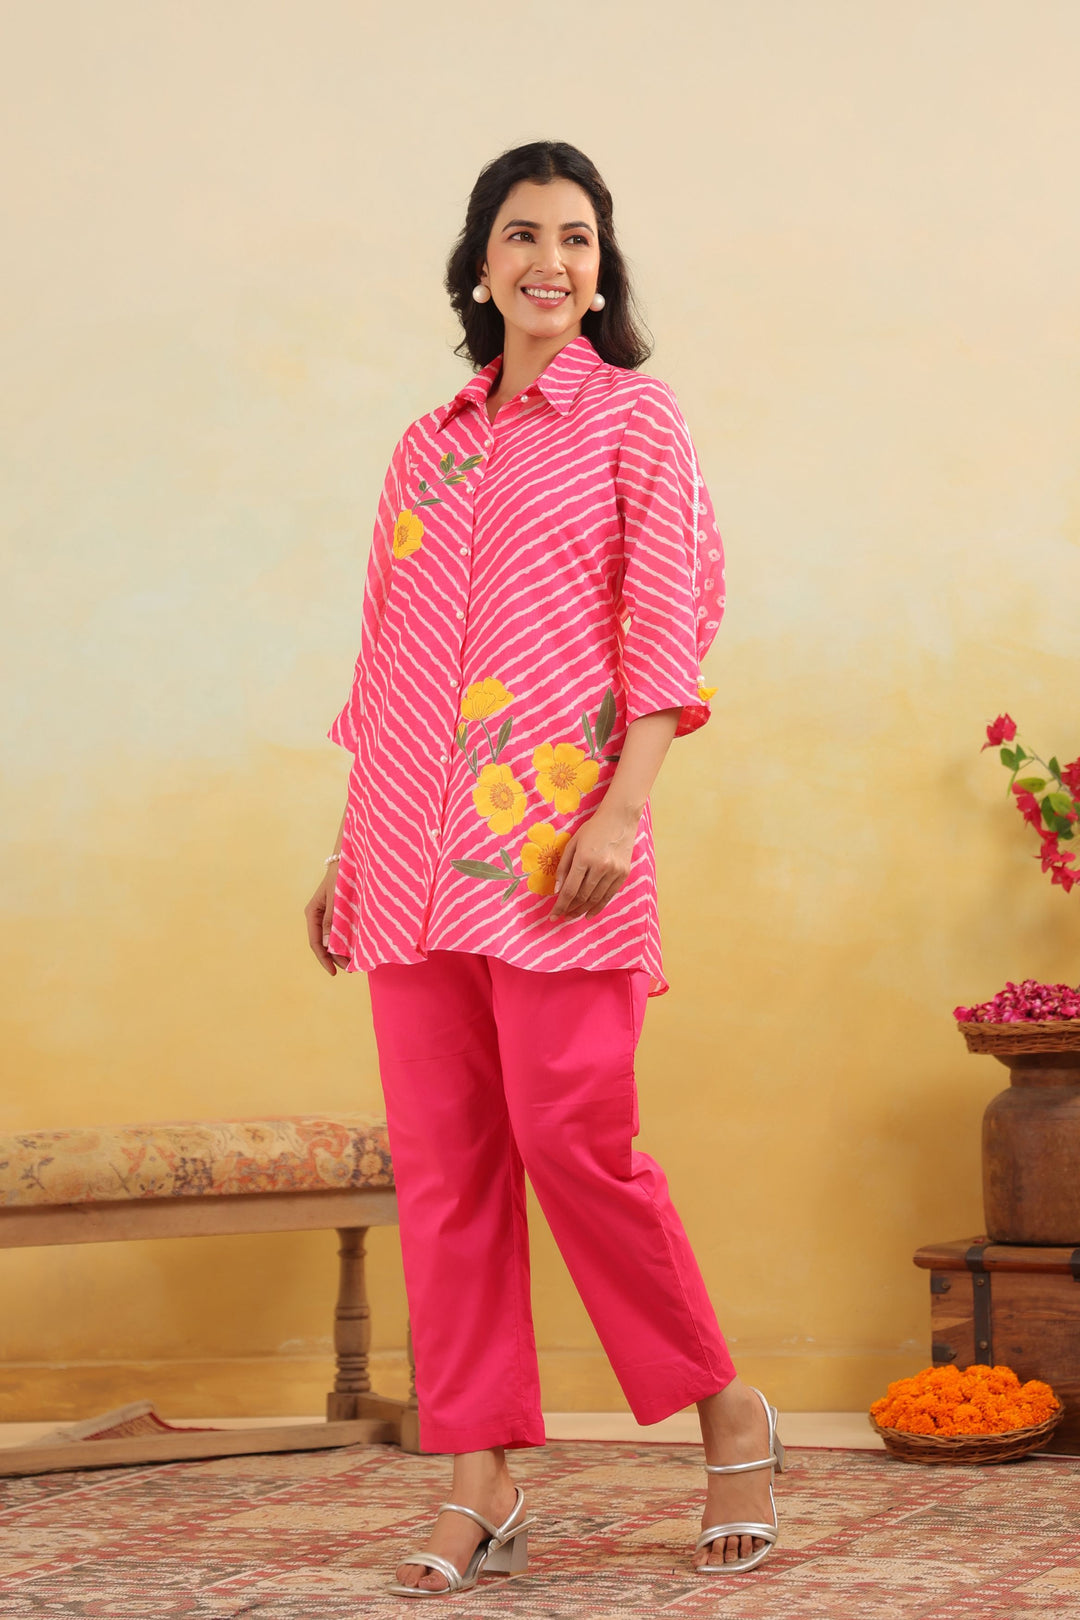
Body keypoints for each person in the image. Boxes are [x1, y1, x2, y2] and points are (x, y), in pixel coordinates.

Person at [305, 139, 784, 1597]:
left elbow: (670, 626)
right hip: (406, 856)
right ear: (479, 265)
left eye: (577, 238)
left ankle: (726, 1410)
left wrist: (622, 813)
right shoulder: (426, 444)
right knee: (446, 1169)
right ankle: (480, 1480)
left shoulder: (636, 421)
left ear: (601, 266)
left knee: (576, 1141)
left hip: (556, 851)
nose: (551, 262)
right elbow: (390, 659)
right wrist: (349, 847)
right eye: (523, 235)